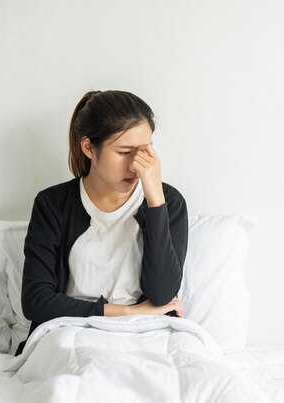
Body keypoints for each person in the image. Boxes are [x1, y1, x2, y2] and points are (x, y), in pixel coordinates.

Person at [15, 90, 188, 356]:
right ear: (88, 148)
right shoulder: (53, 204)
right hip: (72, 332)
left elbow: (163, 293)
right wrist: (129, 312)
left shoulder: (169, 202)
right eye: (124, 152)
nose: (136, 165)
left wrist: (155, 199)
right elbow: (36, 301)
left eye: (144, 151)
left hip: (147, 333)